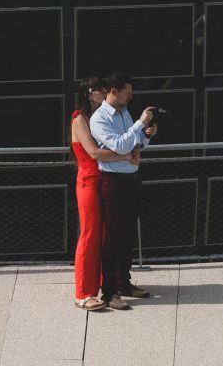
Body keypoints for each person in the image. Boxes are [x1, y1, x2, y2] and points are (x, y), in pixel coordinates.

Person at [88, 74, 159, 303]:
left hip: (130, 178)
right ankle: (109, 291)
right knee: (114, 237)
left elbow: (132, 141)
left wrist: (145, 138)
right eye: (127, 92)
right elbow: (119, 144)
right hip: (113, 180)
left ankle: (123, 283)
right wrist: (139, 124)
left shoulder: (125, 112)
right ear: (113, 92)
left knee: (128, 234)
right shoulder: (99, 118)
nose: (131, 97)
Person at [67, 78, 133, 312]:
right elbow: (94, 153)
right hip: (88, 181)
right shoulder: (79, 119)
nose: (105, 93)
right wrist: (125, 156)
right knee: (90, 234)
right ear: (89, 93)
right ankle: (83, 293)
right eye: (101, 90)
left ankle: (107, 284)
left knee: (105, 234)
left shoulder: (99, 118)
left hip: (103, 179)